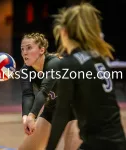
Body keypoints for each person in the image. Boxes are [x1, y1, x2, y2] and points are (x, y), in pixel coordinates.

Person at [46, 3, 126, 150]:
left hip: (97, 145)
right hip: (118, 142)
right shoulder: (99, 59)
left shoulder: (70, 64)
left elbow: (61, 113)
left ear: (64, 32)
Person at [18, 33, 81, 150]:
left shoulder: (54, 63)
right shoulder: (25, 71)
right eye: (22, 49)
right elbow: (27, 94)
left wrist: (32, 116)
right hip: (53, 108)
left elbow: (43, 92)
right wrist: (26, 117)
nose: (24, 52)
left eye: (29, 48)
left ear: (42, 50)